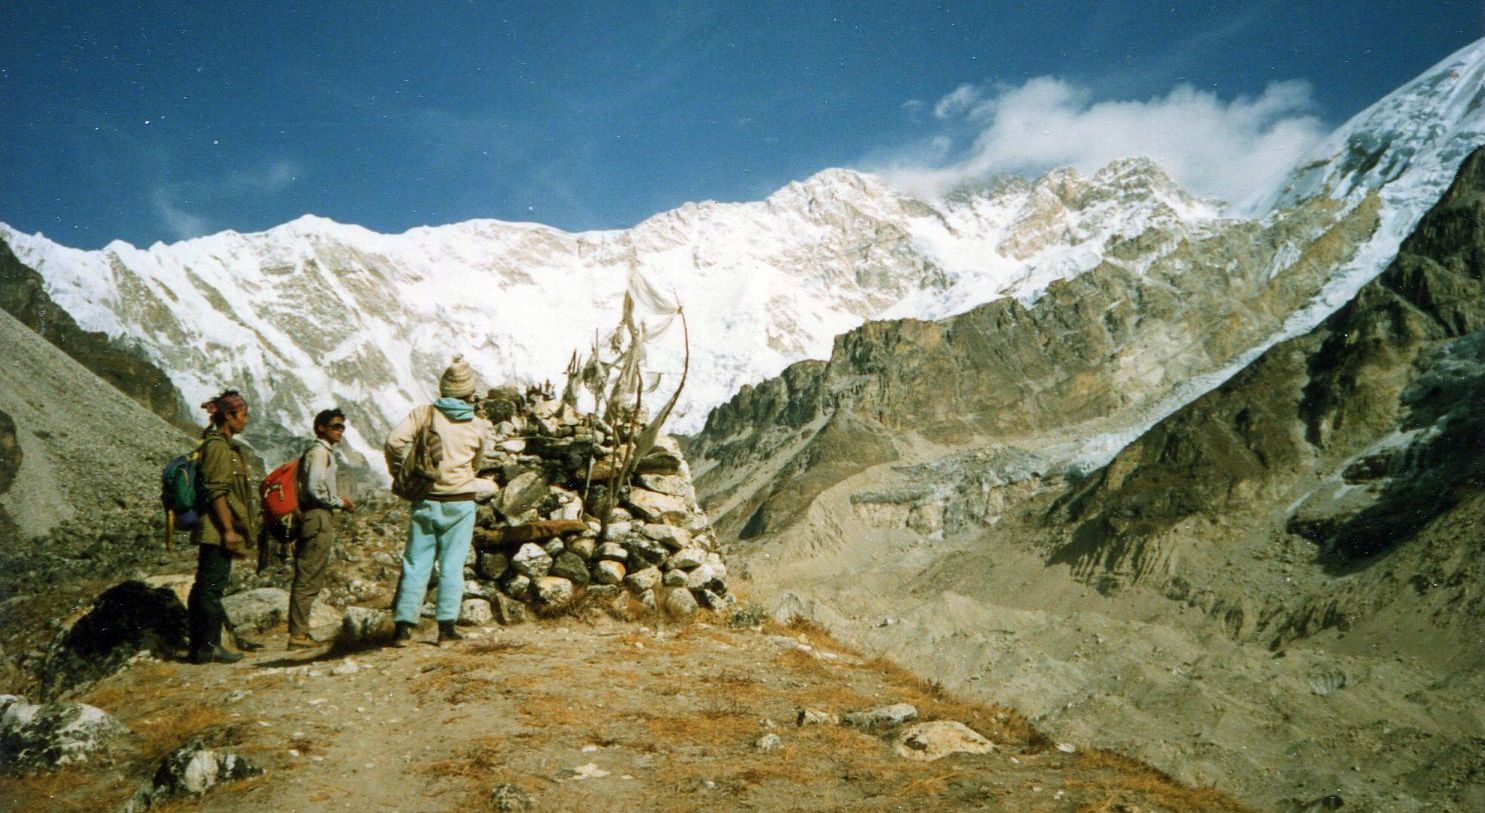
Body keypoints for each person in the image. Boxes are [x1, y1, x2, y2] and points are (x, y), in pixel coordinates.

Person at [384, 355, 496, 647]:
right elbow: (478, 462)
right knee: (452, 565)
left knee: (415, 563)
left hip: (426, 498)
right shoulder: (477, 425)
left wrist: (402, 471)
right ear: (469, 393)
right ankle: (446, 630)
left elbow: (395, 443)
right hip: (460, 501)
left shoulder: (424, 414)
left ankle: (403, 629)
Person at [188, 390, 258, 664]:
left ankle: (202, 646)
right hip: (216, 529)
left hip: (217, 527)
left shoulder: (224, 445)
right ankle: (208, 646)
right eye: (243, 414)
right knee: (211, 587)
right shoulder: (218, 447)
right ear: (228, 416)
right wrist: (229, 530)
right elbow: (216, 491)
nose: (246, 420)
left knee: (207, 585)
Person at [287, 408, 356, 650]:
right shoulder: (319, 453)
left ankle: (300, 632)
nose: (340, 431)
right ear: (321, 428)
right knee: (308, 576)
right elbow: (316, 489)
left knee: (311, 574)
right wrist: (340, 502)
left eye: (342, 427)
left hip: (316, 516)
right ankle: (297, 635)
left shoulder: (322, 452)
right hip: (317, 516)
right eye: (335, 426)